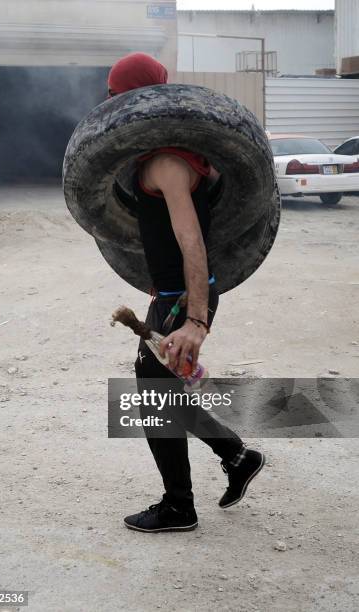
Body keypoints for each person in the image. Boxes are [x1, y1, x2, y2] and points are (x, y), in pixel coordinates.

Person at [108, 53, 265, 533]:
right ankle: (236, 456)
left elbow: (190, 237)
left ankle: (179, 506)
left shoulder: (167, 163)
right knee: (166, 393)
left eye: (116, 96)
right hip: (172, 293)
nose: (110, 105)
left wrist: (195, 320)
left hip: (181, 299)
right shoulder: (169, 158)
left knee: (154, 396)